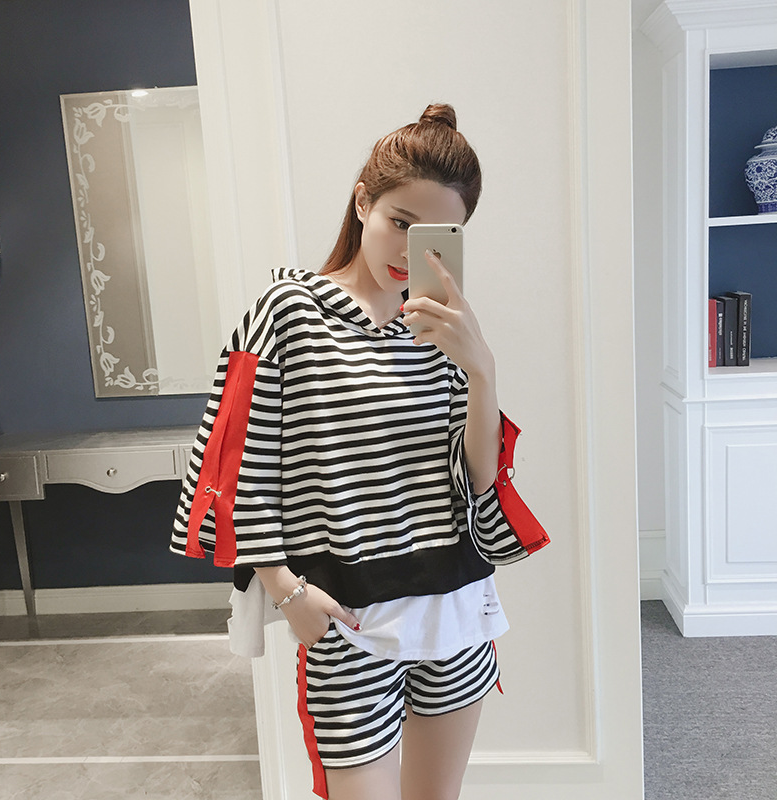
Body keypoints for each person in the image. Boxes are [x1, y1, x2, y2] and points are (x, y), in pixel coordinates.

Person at [171, 103, 546, 800]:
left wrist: (482, 369)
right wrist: (285, 590)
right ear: (363, 201)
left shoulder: (441, 327)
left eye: (435, 236)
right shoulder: (289, 314)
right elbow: (240, 461)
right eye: (399, 221)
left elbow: (477, 478)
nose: (409, 251)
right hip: (349, 619)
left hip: (455, 608)